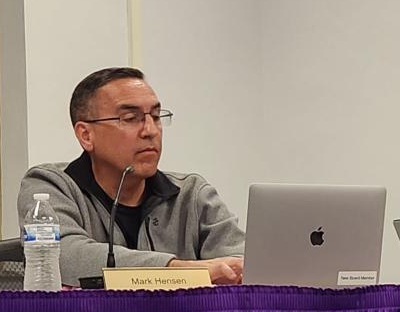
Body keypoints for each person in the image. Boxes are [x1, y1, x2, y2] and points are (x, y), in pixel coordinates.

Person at [18, 67, 244, 286]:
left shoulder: (192, 194)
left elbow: (240, 263)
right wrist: (180, 270)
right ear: (86, 135)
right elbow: (63, 255)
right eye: (130, 118)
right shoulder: (50, 186)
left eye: (155, 116)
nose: (150, 130)